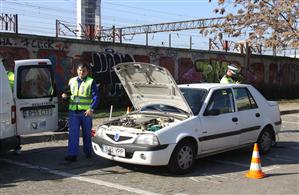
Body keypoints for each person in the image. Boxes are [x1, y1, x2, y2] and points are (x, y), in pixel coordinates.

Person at [62, 63, 99, 162]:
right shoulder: (72, 81)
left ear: (87, 72)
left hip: (86, 113)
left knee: (87, 133)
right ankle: (72, 155)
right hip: (73, 112)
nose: (81, 72)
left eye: (84, 71)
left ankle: (88, 152)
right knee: (73, 134)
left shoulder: (91, 82)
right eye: (79, 70)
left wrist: (91, 108)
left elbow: (96, 97)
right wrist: (64, 95)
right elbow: (68, 92)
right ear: (77, 71)